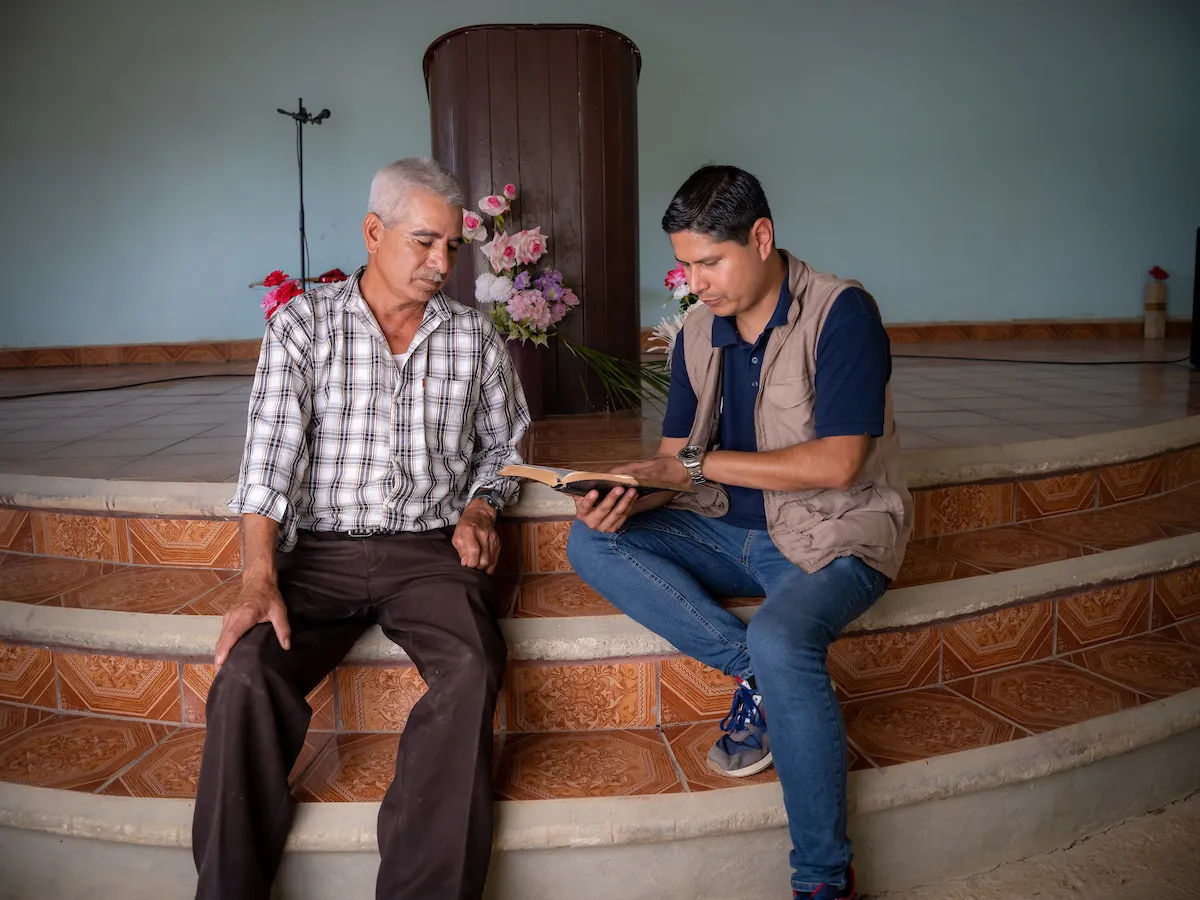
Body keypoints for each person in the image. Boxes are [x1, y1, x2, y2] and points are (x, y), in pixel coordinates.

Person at [567, 165, 911, 900]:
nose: (695, 281)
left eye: (709, 262)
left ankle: (823, 880)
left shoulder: (841, 312)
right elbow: (674, 463)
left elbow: (841, 460)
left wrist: (691, 463)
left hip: (833, 535)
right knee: (591, 540)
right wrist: (626, 493)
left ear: (761, 238)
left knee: (784, 638)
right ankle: (751, 672)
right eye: (686, 264)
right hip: (726, 530)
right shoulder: (698, 330)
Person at [192, 157, 529, 900]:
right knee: (246, 676)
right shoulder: (302, 326)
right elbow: (268, 460)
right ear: (374, 233)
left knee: (473, 666)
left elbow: (506, 447)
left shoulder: (474, 339)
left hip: (428, 551)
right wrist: (258, 578)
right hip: (318, 554)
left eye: (452, 247)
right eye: (423, 242)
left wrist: (480, 506)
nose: (442, 263)